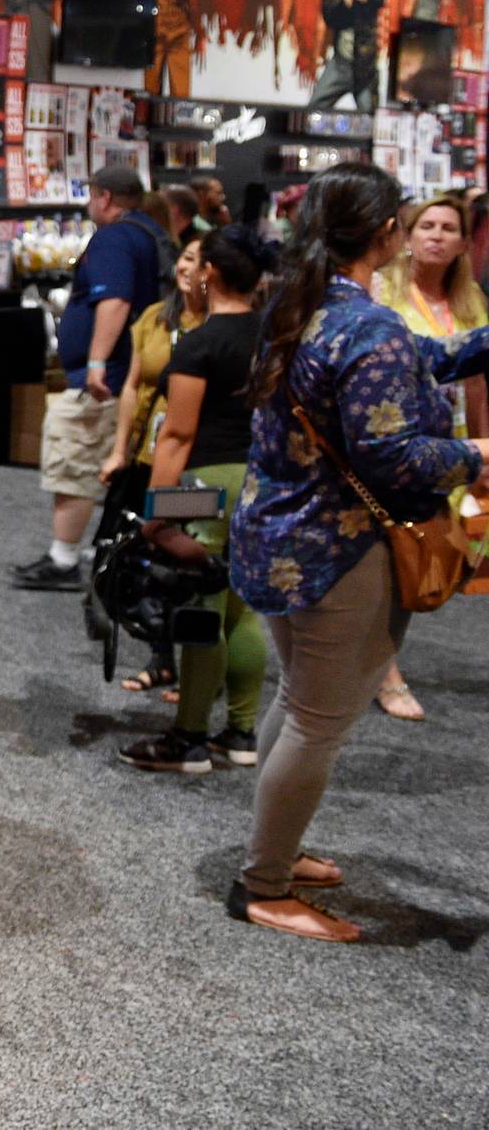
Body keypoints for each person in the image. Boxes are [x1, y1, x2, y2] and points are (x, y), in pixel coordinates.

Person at [225, 164, 489, 942]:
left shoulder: (303, 301)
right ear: (387, 233)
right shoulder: (364, 322)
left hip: (277, 530)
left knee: (297, 700)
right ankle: (264, 884)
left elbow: (420, 361)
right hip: (339, 547)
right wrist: (476, 452)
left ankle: (273, 847)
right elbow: (395, 456)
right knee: (316, 717)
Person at [115, 226, 272, 774]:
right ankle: (242, 732)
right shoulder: (276, 339)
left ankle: (188, 739)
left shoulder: (200, 345)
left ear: (211, 274)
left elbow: (176, 436)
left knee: (201, 607)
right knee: (243, 609)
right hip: (263, 480)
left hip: (204, 484)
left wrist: (158, 513)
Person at [369, 191, 489, 722]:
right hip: (402, 440)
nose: (437, 235)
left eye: (448, 228)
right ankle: (385, 671)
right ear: (407, 237)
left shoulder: (470, 300)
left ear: (464, 242)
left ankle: (380, 655)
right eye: (427, 226)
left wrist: (483, 448)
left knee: (429, 549)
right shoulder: (381, 295)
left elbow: (479, 381)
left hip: (458, 438)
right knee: (391, 552)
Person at [16, 163, 160, 591]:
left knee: (74, 456)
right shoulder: (148, 232)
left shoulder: (115, 238)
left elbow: (113, 300)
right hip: (122, 373)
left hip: (103, 379)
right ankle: (88, 553)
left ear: (104, 198)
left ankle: (63, 559)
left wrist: (96, 361)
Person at [101, 235, 211, 696]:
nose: (189, 267)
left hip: (200, 466)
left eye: (201, 261)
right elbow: (132, 387)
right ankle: (162, 659)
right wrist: (119, 449)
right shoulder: (153, 317)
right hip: (151, 458)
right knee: (147, 566)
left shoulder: (224, 327)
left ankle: (203, 673)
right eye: (186, 257)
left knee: (196, 570)